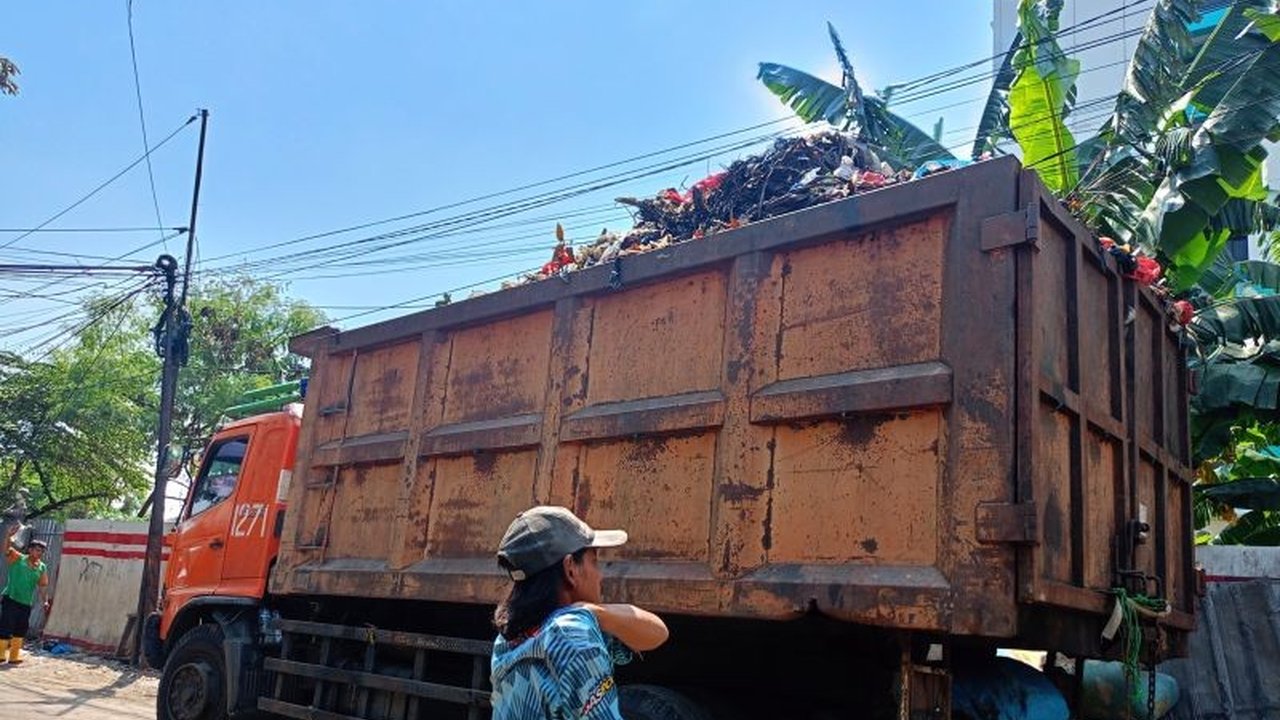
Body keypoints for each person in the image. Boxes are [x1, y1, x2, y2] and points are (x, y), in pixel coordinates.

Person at [490, 506, 669, 719]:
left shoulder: (509, 636)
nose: (600, 576)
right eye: (594, 562)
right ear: (570, 569)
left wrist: (593, 612)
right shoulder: (571, 635)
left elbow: (656, 633)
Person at [0, 526, 50, 665]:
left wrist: (45, 601)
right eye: (37, 550)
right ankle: (0, 655)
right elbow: (6, 550)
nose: (39, 553)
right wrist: (8, 536)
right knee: (5, 625)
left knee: (21, 628)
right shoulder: (18, 558)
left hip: (26, 602)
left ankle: (14, 656)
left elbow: (43, 586)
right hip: (11, 598)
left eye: (41, 551)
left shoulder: (41, 567)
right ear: (30, 550)